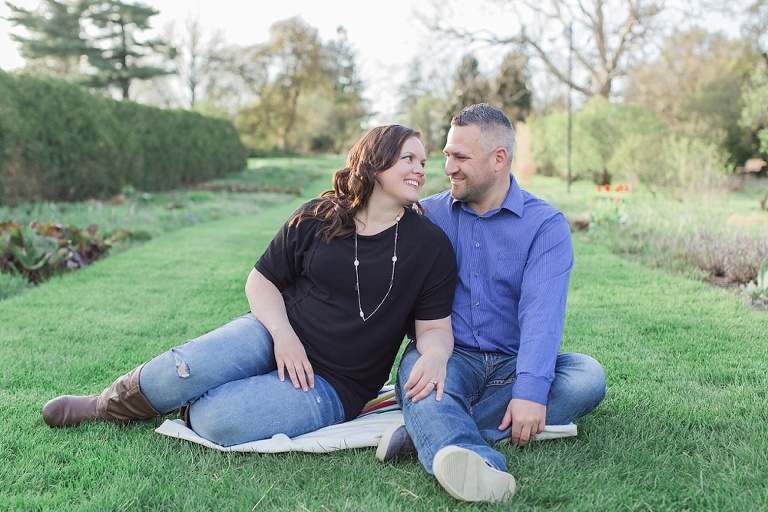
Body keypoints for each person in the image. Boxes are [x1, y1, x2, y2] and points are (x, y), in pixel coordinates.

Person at [42, 125, 458, 448]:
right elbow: (261, 280)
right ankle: (103, 406)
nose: (422, 170)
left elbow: (435, 329)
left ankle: (193, 404)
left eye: (424, 161)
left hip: (335, 382)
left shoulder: (429, 245)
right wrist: (282, 336)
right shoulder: (319, 215)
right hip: (271, 331)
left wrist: (437, 355)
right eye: (409, 159)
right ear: (375, 162)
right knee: (182, 368)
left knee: (220, 420)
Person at [376, 104, 607, 503]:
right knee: (419, 374)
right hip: (450, 355)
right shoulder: (426, 215)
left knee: (586, 377)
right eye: (447, 154)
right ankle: (482, 465)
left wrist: (531, 391)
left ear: (499, 159)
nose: (448, 167)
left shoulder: (545, 225)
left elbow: (542, 315)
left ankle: (427, 431)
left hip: (513, 361)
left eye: (460, 157)